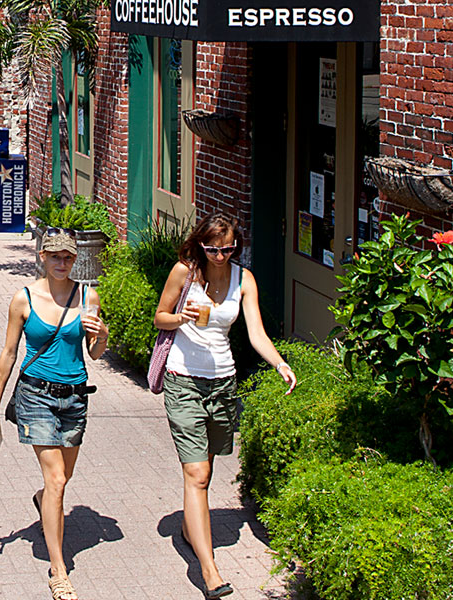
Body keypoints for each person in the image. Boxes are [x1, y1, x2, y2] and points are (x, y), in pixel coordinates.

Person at [153, 215, 297, 599]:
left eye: (228, 248)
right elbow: (159, 317)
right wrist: (179, 317)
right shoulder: (185, 272)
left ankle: (189, 527)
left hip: (222, 383)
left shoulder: (243, 279)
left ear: (237, 246)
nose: (220, 255)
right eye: (213, 248)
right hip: (183, 379)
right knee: (197, 473)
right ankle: (208, 569)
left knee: (208, 467)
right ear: (201, 245)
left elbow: (256, 332)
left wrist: (280, 363)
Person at [0, 232, 109, 600]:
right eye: (54, 256)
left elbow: (96, 353)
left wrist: (102, 335)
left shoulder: (88, 297)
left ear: (75, 260)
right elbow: (8, 353)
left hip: (74, 397)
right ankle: (59, 570)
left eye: (67, 258)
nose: (61, 263)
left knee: (62, 478)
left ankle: (42, 501)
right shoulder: (23, 299)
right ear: (41, 256)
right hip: (35, 395)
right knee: (57, 479)